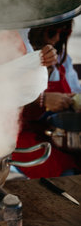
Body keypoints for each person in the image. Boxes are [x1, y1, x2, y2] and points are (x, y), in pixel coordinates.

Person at [13, 19, 81, 178]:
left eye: (62, 33)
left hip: (55, 134)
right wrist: (40, 100)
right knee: (64, 173)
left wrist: (72, 100)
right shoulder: (19, 58)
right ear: (35, 32)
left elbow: (74, 90)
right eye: (52, 33)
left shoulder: (62, 59)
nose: (57, 39)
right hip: (22, 137)